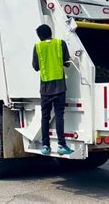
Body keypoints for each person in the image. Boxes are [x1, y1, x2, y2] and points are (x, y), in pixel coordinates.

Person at [32, 24, 73, 155]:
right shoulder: (60, 43)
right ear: (51, 32)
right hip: (60, 87)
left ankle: (45, 146)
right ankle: (61, 145)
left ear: (39, 36)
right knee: (59, 115)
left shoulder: (38, 47)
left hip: (45, 89)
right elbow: (67, 62)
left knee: (45, 117)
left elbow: (36, 66)